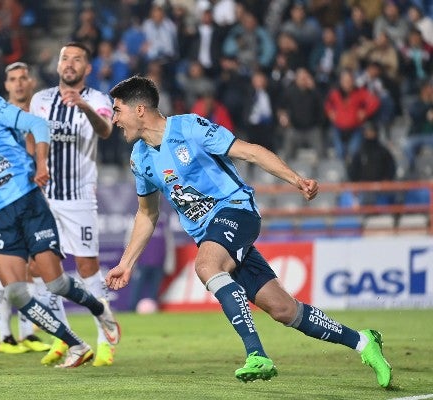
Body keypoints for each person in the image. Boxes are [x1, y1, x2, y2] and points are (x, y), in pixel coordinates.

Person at [105, 76, 392, 388]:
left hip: (236, 210)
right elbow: (147, 214)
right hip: (211, 234)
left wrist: (295, 179)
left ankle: (256, 354)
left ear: (141, 109)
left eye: (118, 110)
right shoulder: (140, 158)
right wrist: (126, 262)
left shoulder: (190, 128)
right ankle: (363, 342)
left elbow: (250, 151)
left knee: (206, 266)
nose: (115, 119)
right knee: (283, 310)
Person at [0, 57, 120, 369]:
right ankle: (77, 345)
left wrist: (42, 163)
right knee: (17, 292)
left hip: (28, 202)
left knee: (56, 284)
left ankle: (100, 310)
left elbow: (36, 124)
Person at [29, 42, 117, 367]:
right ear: (58, 65)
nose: (69, 63)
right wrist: (36, 161)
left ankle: (105, 338)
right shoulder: (40, 100)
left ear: (87, 68)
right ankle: (63, 337)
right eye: (65, 58)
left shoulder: (97, 99)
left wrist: (84, 107)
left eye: (77, 59)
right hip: (44, 196)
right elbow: (31, 136)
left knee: (86, 268)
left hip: (78, 196)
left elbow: (106, 130)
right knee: (41, 267)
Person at [0, 61, 50, 354]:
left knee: (31, 266)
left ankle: (27, 333)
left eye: (24, 77)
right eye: (13, 79)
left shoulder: (37, 115)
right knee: (3, 267)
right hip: (1, 199)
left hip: (31, 195)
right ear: (7, 85)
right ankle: (3, 336)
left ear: (31, 82)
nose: (20, 83)